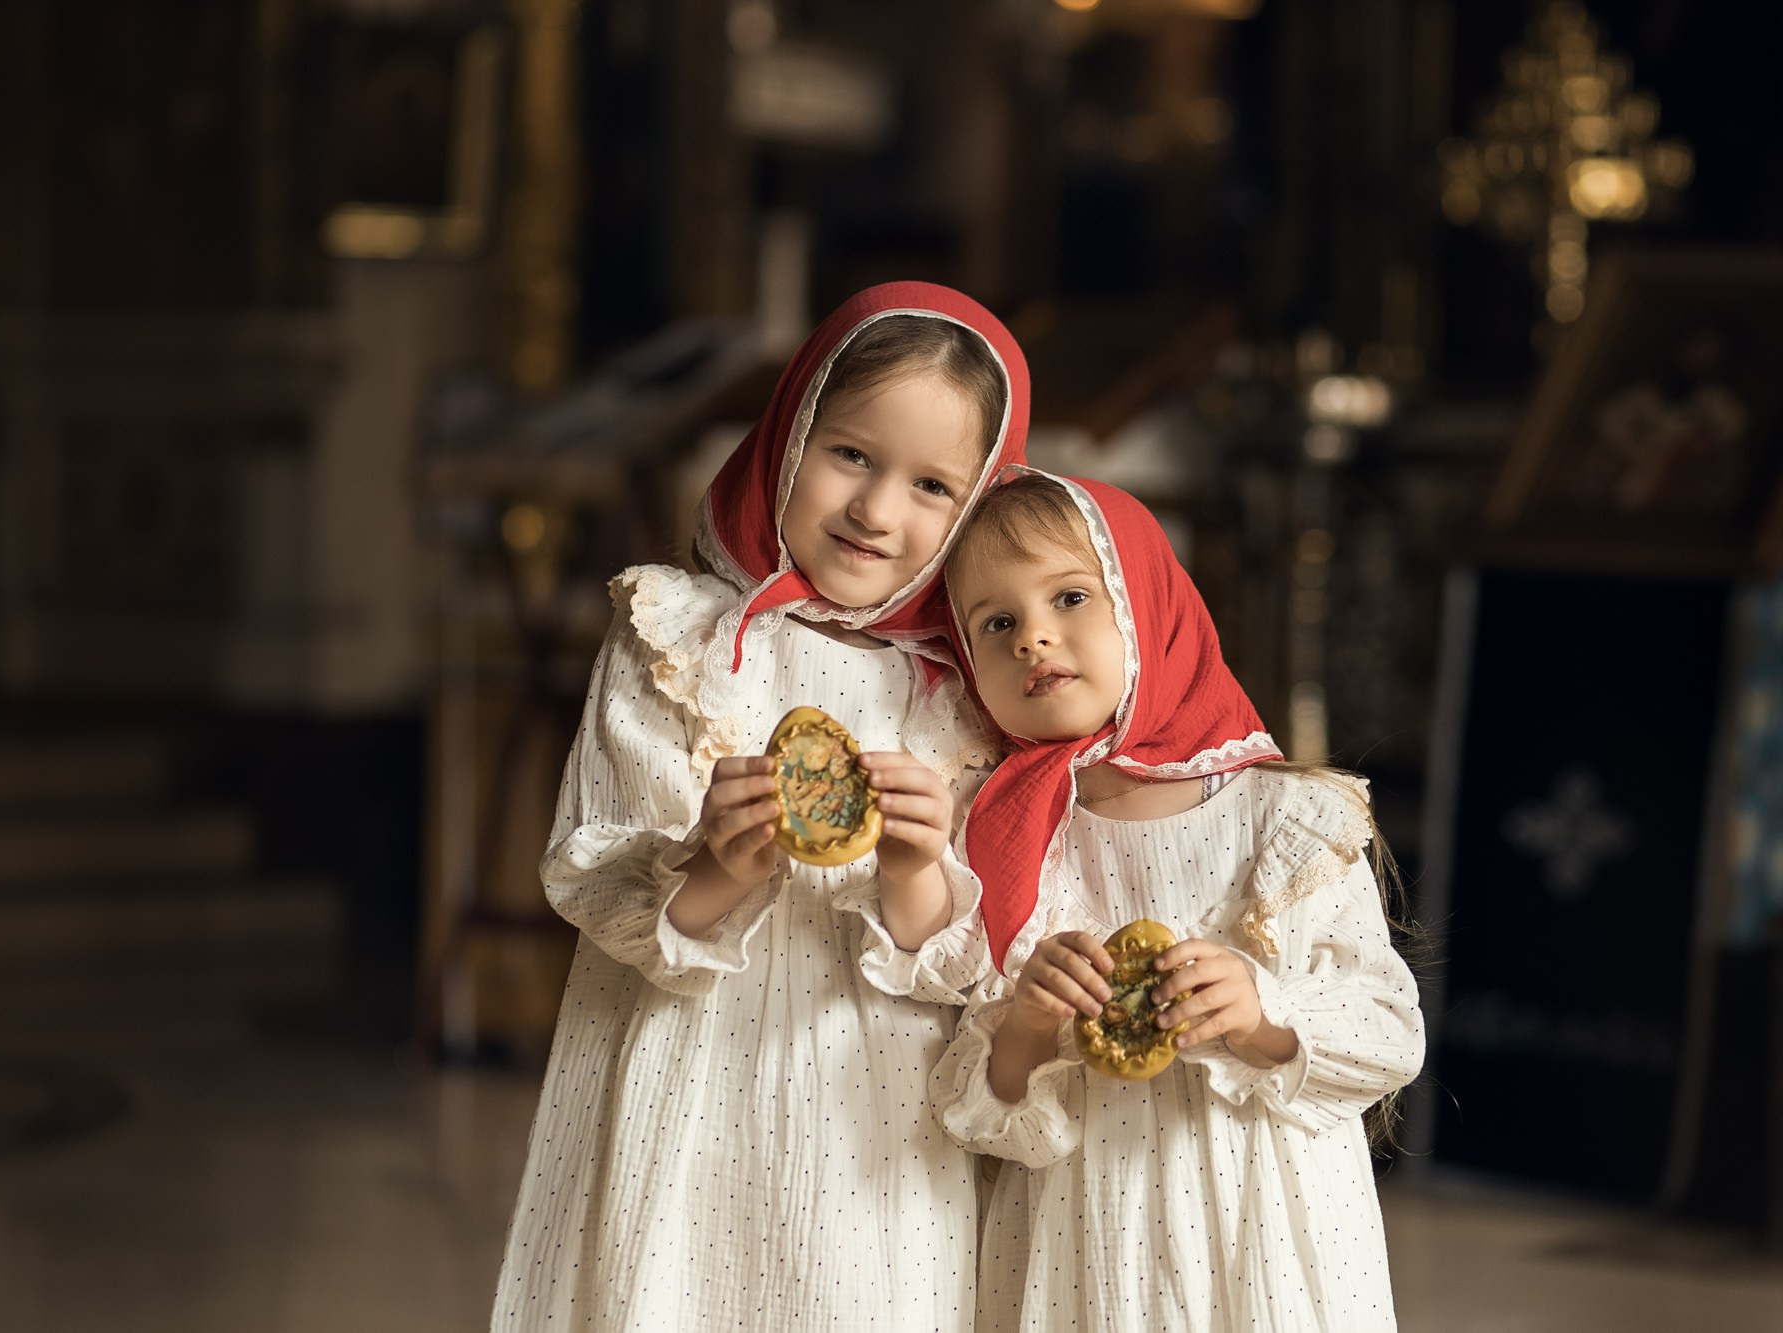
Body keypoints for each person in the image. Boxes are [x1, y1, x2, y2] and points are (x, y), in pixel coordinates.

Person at [492, 282, 1030, 1332]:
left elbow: (970, 966)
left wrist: (918, 869)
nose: (877, 511)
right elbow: (586, 871)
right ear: (784, 435)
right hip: (685, 1076)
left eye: (931, 486)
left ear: (976, 508)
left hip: (873, 1111)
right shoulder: (673, 638)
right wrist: (715, 866)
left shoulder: (963, 700)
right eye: (850, 456)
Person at [931, 471, 1424, 1332]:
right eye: (996, 622)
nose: (1033, 638)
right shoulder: (1002, 846)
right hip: (1083, 1234)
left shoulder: (1287, 817)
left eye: (1071, 596)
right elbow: (983, 1115)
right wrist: (1026, 1026)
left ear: (1149, 603)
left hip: (1263, 1221)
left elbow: (1389, 1031)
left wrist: (1259, 1009)